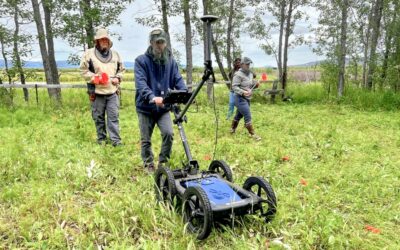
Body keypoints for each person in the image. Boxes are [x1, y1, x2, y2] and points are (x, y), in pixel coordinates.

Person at [134, 28, 187, 173]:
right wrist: (151, 97)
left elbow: (177, 79)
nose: (160, 45)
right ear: (151, 43)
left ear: (165, 43)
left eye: (162, 42)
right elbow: (141, 83)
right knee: (146, 139)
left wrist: (185, 94)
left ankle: (163, 162)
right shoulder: (141, 61)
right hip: (146, 107)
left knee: (168, 133)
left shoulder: (170, 61)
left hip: (164, 108)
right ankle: (148, 163)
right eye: (157, 42)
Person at [80, 27, 125, 147]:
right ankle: (102, 140)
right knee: (98, 118)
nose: (104, 41)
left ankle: (116, 141)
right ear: (97, 41)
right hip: (96, 93)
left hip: (112, 92)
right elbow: (83, 71)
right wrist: (95, 78)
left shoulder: (116, 55)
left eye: (106, 39)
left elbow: (122, 70)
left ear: (109, 41)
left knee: (113, 117)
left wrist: (118, 78)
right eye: (101, 39)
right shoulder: (88, 54)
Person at [230, 57, 261, 141]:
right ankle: (253, 134)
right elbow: (234, 87)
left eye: (249, 64)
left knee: (239, 115)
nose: (248, 65)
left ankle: (232, 129)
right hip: (239, 98)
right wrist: (243, 92)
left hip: (247, 98)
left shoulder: (250, 74)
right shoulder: (238, 74)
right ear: (242, 64)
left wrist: (256, 85)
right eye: (247, 64)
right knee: (247, 114)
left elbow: (249, 85)